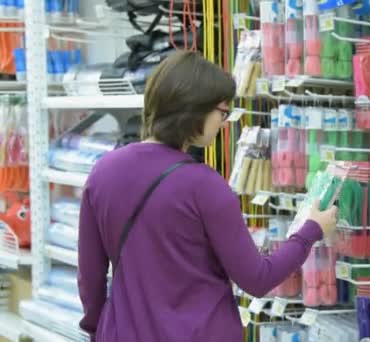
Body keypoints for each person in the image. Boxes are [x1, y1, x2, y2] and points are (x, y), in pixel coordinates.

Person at [77, 51, 338, 342]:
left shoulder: (103, 172)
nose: (224, 122)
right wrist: (310, 231)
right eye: (222, 112)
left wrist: (98, 328)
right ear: (195, 110)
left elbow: (90, 278)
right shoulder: (203, 185)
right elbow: (257, 278)